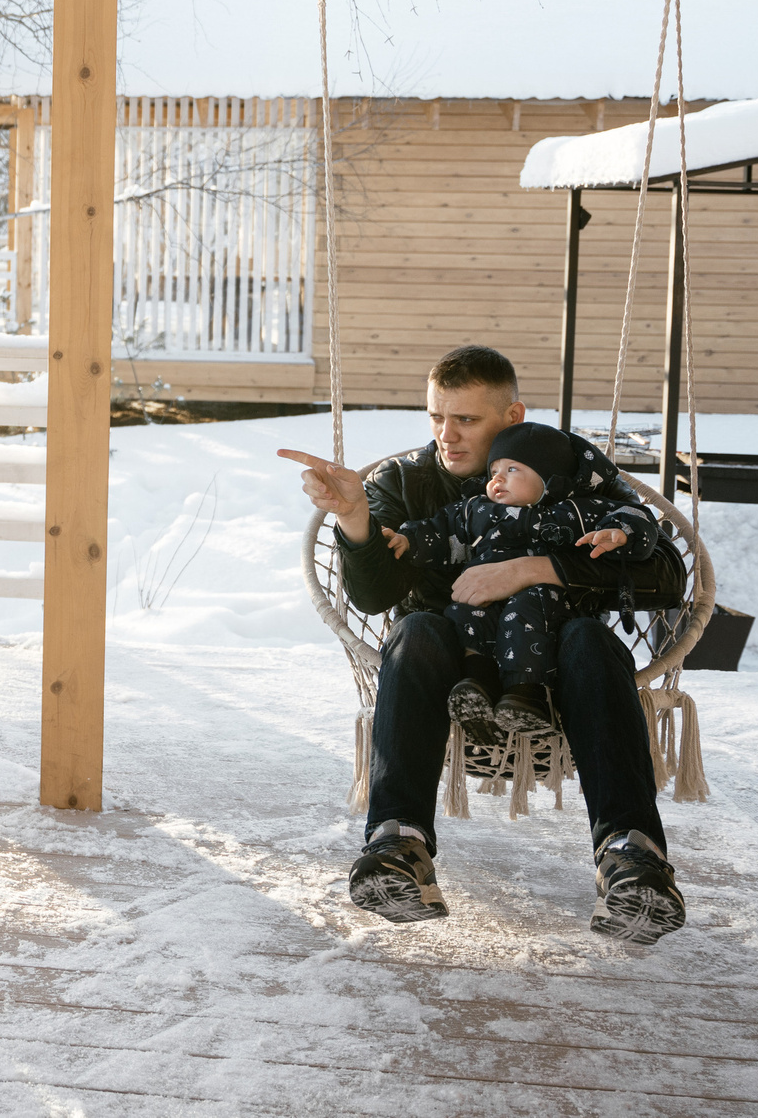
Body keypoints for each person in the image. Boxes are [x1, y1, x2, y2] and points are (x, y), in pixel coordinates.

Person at [279, 346, 691, 946]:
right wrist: (356, 523)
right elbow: (373, 596)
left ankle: (634, 859)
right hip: (448, 674)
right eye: (436, 417)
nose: (446, 435)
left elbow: (667, 578)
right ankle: (398, 846)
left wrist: (536, 569)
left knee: (590, 640)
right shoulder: (402, 482)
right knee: (415, 627)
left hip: (556, 669)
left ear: (512, 416)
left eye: (466, 420)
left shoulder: (564, 467)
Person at [388, 420, 662, 744]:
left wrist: (620, 533)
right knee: (462, 613)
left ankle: (527, 694)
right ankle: (477, 683)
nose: (497, 479)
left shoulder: (576, 510)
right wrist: (410, 539)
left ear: (549, 479)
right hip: (486, 599)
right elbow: (444, 528)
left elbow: (635, 515)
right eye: (494, 471)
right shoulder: (479, 510)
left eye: (512, 469)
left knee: (525, 612)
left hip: (546, 604)